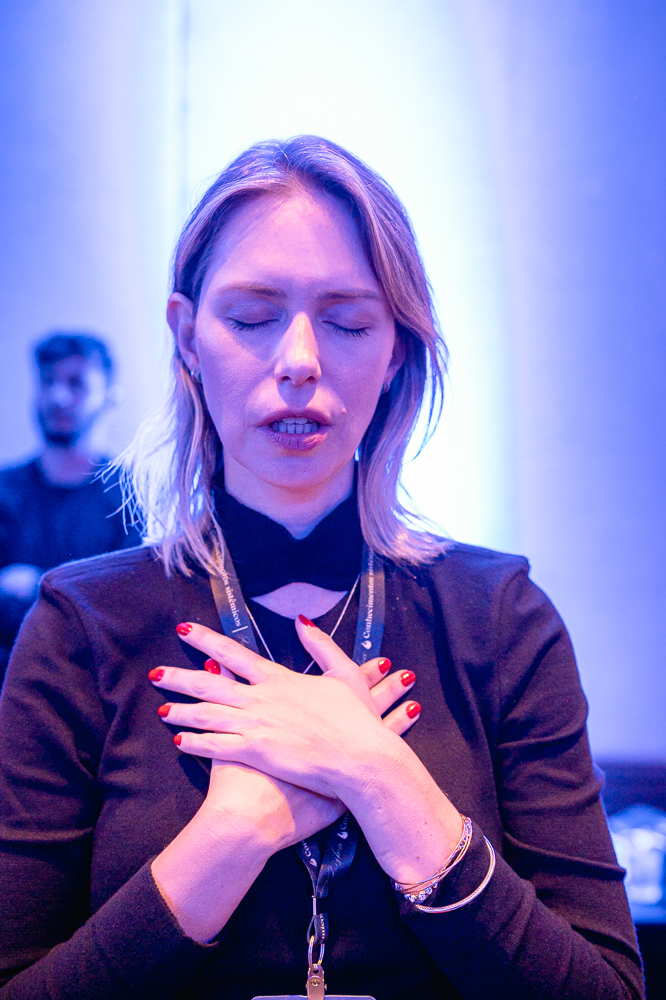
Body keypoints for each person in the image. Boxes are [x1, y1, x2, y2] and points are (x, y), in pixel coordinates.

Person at [0, 137, 644, 1000]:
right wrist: (231, 835)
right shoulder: (81, 625)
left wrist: (380, 778)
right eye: (251, 317)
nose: (300, 360)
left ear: (396, 351)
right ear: (188, 337)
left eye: (347, 322)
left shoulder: (500, 617)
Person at [0, 332, 140, 682]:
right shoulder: (5, 491)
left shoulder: (132, 496)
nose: (58, 396)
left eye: (76, 383)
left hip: (94, 686)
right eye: (48, 381)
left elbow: (127, 606)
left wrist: (36, 584)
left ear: (110, 394)